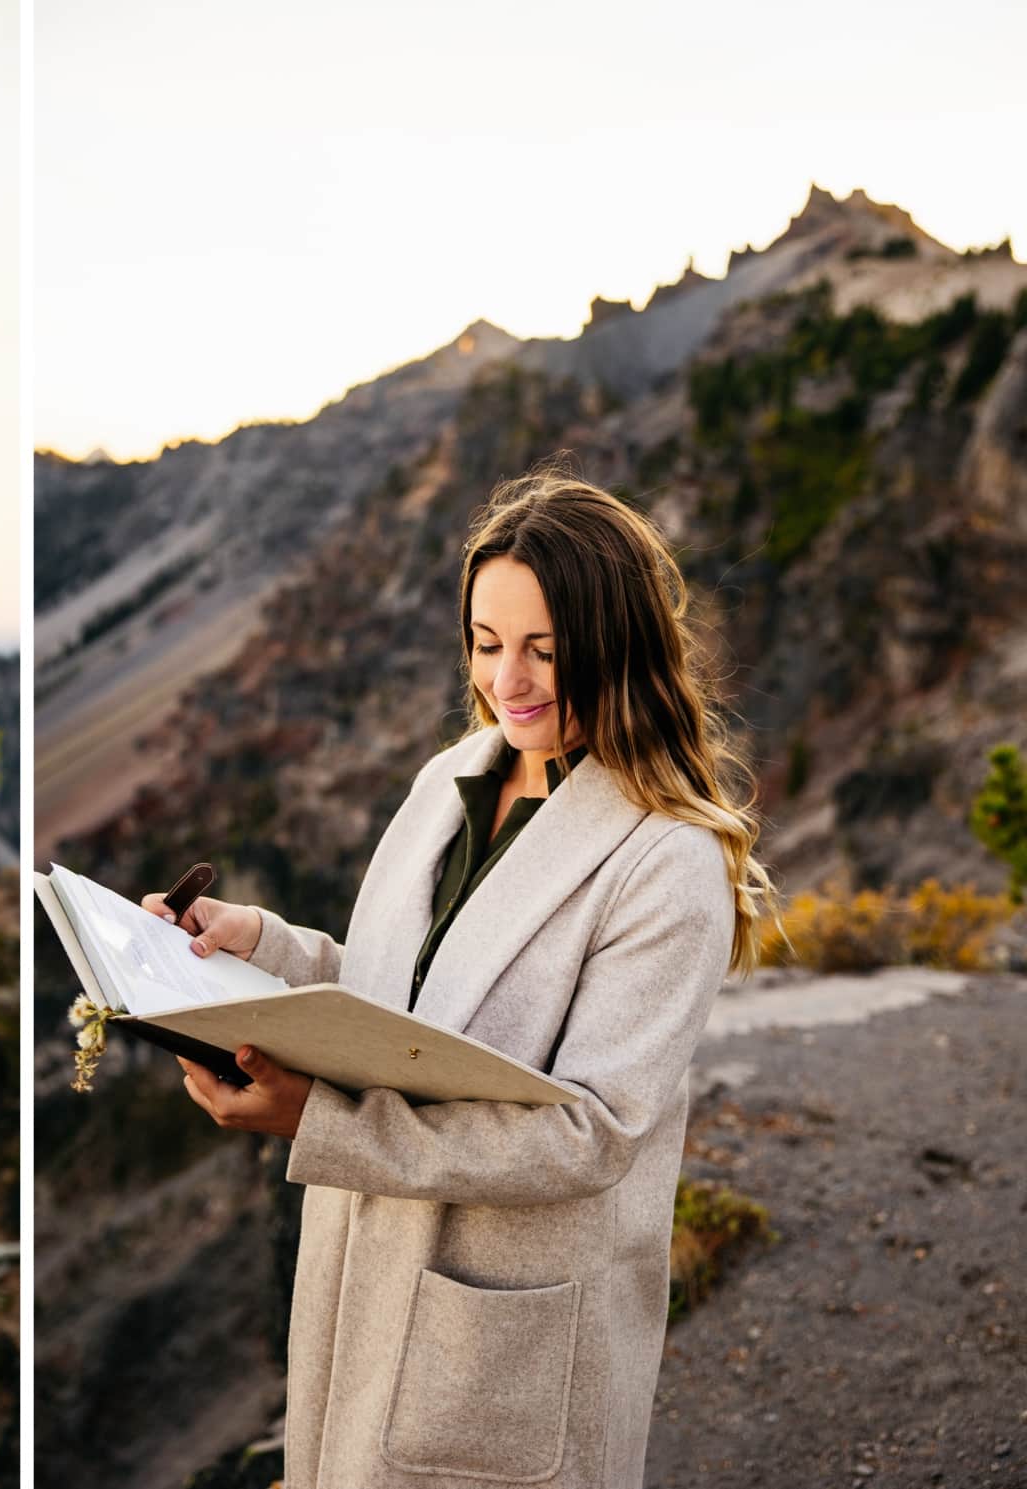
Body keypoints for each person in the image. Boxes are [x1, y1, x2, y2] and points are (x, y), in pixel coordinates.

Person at [147, 468, 774, 1489]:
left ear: (613, 643)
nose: (507, 680)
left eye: (543, 649)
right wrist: (251, 940)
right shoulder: (449, 782)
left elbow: (590, 1130)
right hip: (364, 1275)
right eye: (486, 644)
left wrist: (322, 1122)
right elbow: (410, 1004)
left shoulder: (665, 860)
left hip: (504, 1334)